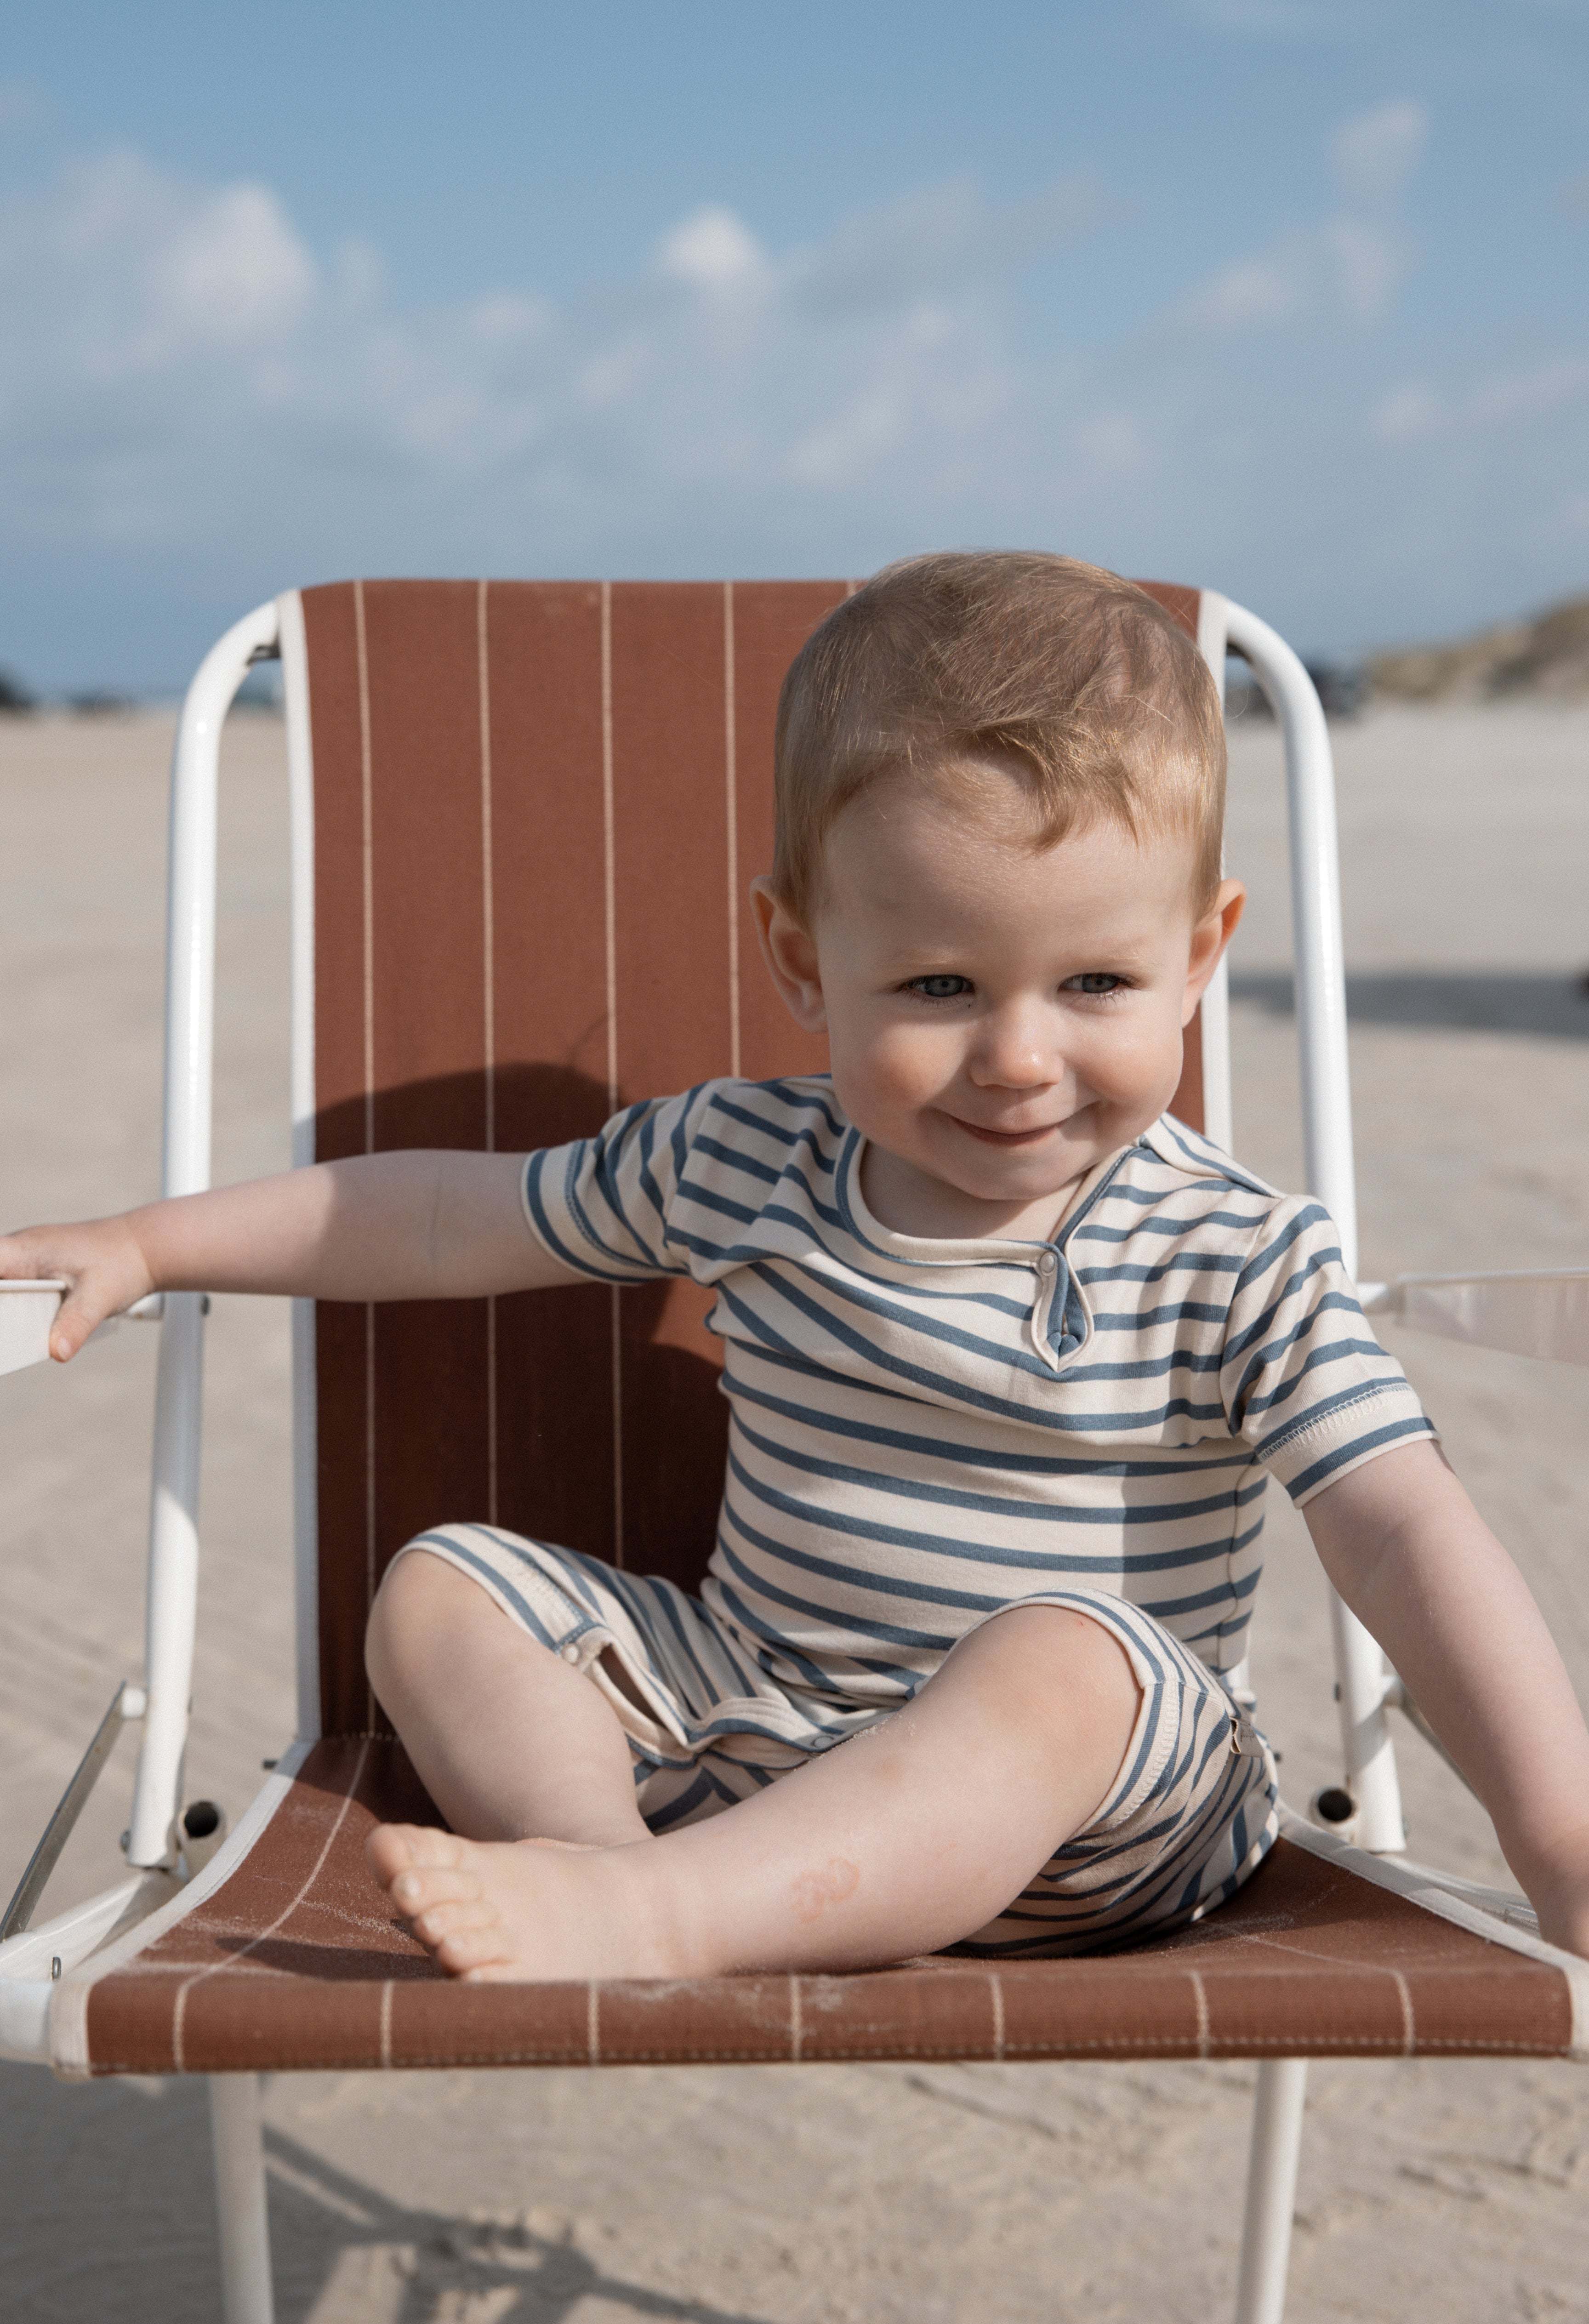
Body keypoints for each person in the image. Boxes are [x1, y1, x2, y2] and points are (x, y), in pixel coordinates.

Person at [6, 554, 1589, 1986]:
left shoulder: (1235, 1251)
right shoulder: (740, 1162)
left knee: (1066, 1658)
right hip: (754, 1732)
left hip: (1096, 1825)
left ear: (1198, 956)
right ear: (801, 960)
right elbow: (437, 1220)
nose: (1017, 1055)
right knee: (443, 1589)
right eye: (939, 984)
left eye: (1096, 980)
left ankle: (663, 1913)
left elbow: (1403, 1528)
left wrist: (1559, 1831)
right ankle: (603, 1869)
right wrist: (151, 1243)